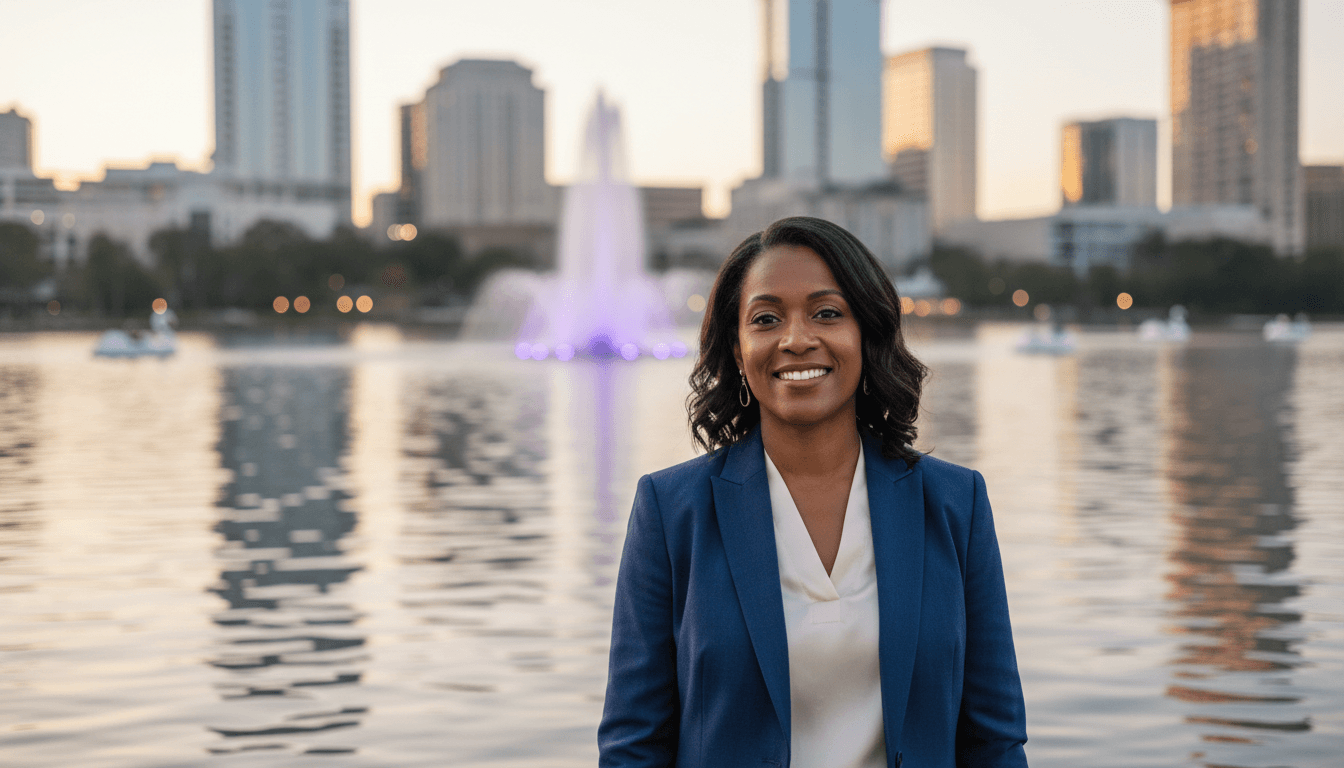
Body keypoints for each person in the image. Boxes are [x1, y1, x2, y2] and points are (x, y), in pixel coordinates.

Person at [598, 217, 1028, 767]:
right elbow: (633, 745)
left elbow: (994, 741)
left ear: (865, 333)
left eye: (827, 313)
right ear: (737, 347)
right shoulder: (670, 511)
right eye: (766, 318)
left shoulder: (953, 504)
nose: (796, 339)